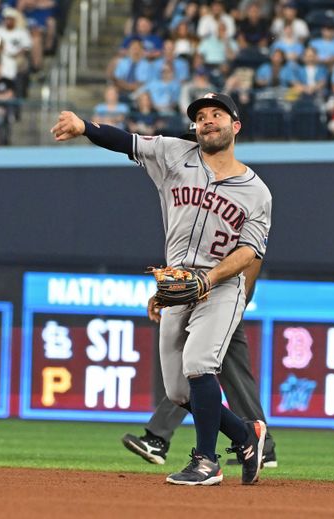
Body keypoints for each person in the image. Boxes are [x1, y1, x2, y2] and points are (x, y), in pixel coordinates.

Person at [50, 92, 272, 486]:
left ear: (235, 126)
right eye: (201, 116)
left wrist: (208, 279)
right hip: (177, 285)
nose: (207, 121)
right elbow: (128, 142)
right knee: (179, 390)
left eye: (217, 115)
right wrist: (85, 128)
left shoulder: (256, 191)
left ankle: (207, 461)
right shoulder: (173, 155)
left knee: (200, 364)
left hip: (220, 287)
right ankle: (244, 434)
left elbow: (249, 253)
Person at [122, 235, 277, 468]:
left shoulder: (250, 201)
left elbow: (253, 256)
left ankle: (159, 437)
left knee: (196, 368)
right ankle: (259, 444)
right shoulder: (209, 208)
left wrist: (237, 306)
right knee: (213, 372)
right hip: (204, 295)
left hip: (224, 297)